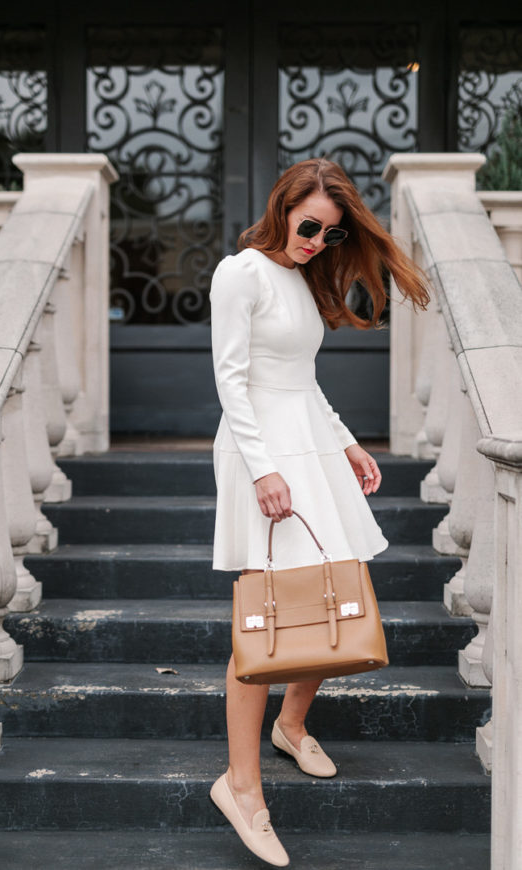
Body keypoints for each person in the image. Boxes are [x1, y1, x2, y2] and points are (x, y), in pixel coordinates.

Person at [208, 157, 430, 866]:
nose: (317, 242)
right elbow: (232, 380)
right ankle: (241, 787)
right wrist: (264, 468)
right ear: (283, 207)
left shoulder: (302, 281)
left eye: (333, 236)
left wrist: (346, 443)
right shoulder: (241, 273)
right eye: (310, 227)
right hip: (260, 452)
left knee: (340, 593)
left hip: (307, 442)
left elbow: (303, 383)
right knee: (267, 610)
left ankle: (292, 725)